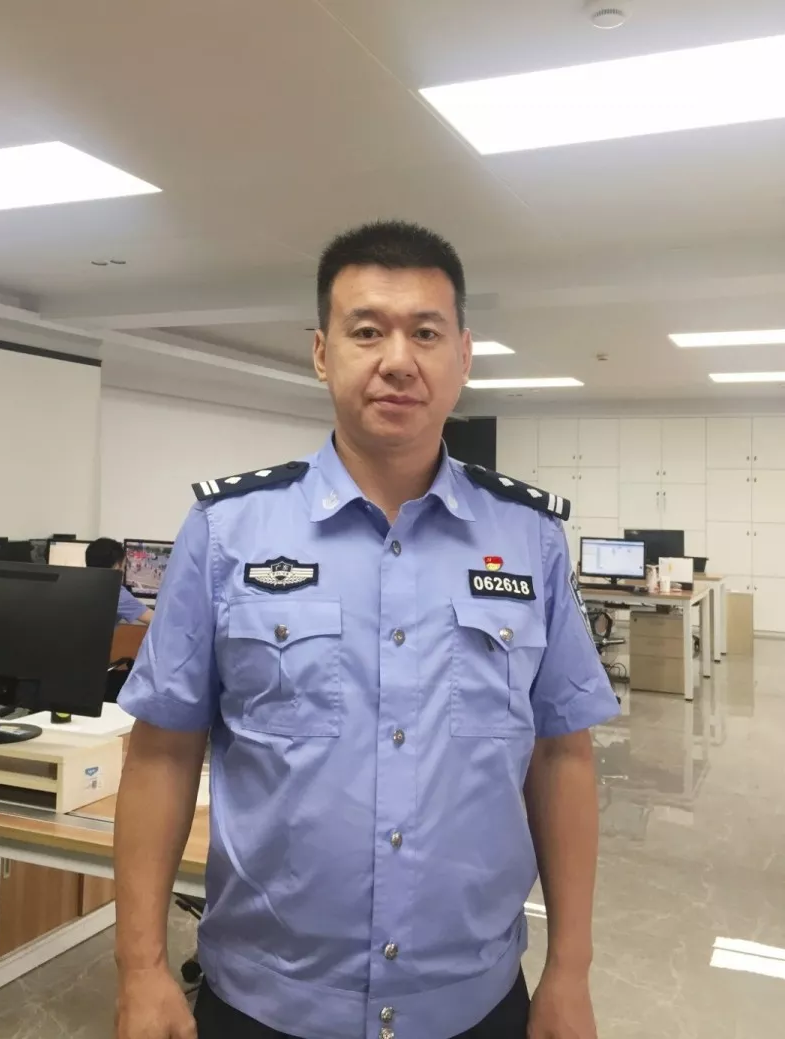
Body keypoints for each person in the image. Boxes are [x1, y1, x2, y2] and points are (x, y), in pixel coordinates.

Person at [113, 220, 619, 1039]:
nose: (398, 359)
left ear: (464, 355)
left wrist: (570, 968)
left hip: (473, 1001)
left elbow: (562, 754)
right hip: (265, 1003)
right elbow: (163, 752)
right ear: (322, 353)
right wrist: (140, 968)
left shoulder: (530, 538)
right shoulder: (228, 531)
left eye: (426, 332)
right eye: (367, 330)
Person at [85, 538, 154, 626]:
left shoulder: (76, 585)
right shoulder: (114, 592)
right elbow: (156, 621)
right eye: (124, 566)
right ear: (117, 567)